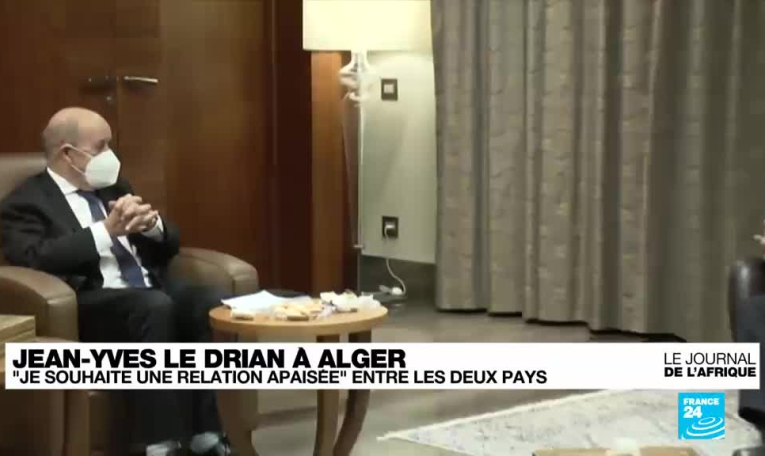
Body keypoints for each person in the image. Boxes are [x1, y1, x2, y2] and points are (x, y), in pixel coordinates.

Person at [0, 107, 235, 456]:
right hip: (91, 302)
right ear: (68, 154)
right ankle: (160, 443)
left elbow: (169, 246)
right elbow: (34, 257)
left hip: (150, 291)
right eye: (101, 146)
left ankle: (207, 434)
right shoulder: (25, 202)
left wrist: (152, 227)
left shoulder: (114, 186)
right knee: (153, 306)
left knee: (208, 300)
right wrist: (105, 231)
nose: (110, 155)